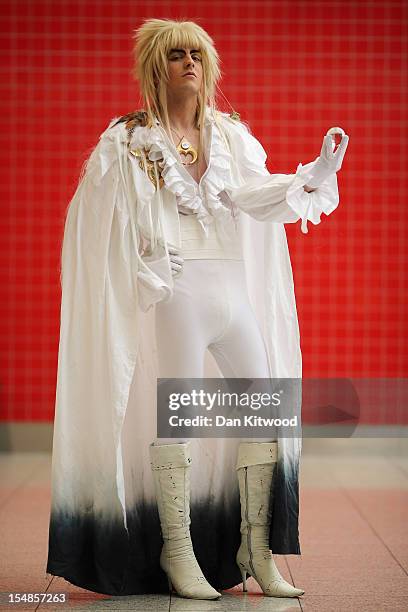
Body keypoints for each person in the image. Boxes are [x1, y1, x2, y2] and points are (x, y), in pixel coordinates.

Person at [46, 18, 348, 601]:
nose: (190, 62)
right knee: (180, 417)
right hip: (179, 291)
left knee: (264, 409)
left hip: (231, 292)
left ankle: (255, 550)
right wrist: (141, 257)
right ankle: (177, 550)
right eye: (177, 54)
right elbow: (97, 217)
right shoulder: (128, 140)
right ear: (155, 66)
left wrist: (313, 177)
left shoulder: (231, 137)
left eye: (197, 54)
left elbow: (255, 196)